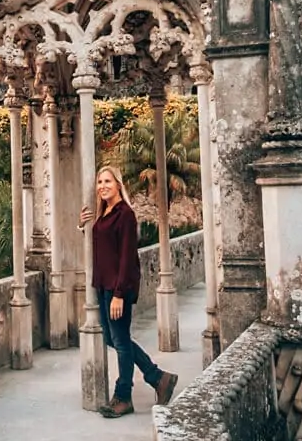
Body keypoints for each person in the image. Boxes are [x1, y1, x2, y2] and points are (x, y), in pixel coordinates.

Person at [79, 165, 178, 419]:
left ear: (118, 184)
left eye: (107, 181)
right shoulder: (105, 213)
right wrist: (83, 227)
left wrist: (119, 294)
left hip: (117, 287)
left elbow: (126, 257)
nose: (102, 186)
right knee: (113, 339)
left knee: (120, 341)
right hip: (103, 285)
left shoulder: (125, 214)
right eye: (99, 182)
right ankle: (157, 377)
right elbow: (102, 245)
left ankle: (123, 396)